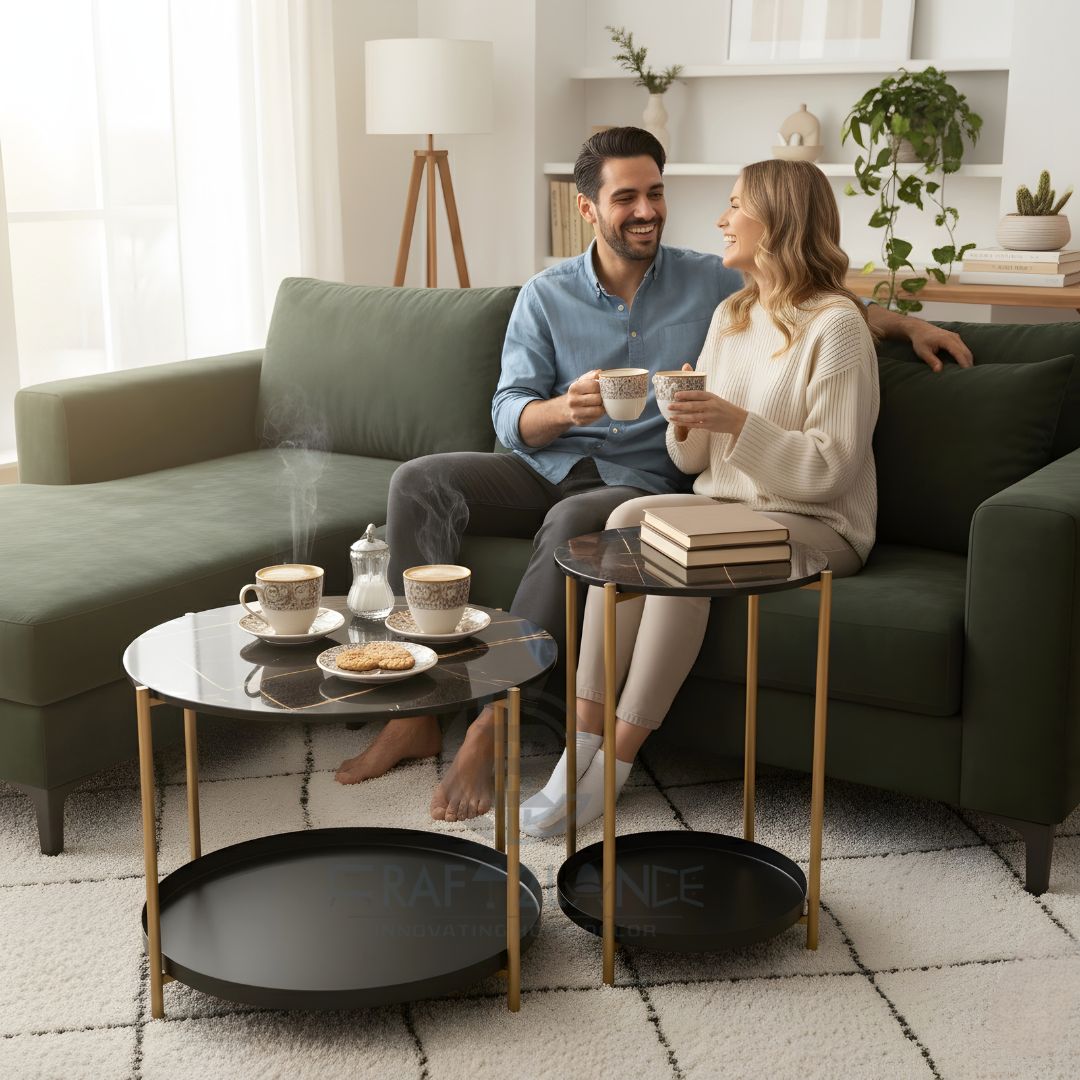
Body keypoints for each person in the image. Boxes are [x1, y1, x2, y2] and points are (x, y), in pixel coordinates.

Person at [334, 127, 973, 823]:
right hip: (550, 462)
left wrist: (904, 324)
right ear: (588, 209)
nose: (649, 210)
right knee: (420, 481)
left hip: (636, 480)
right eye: (627, 197)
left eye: (657, 193)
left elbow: (811, 292)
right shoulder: (555, 296)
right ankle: (419, 705)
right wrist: (559, 409)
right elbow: (508, 410)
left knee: (595, 529)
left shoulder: (713, 280)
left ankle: (499, 721)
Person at [521, 157, 879, 835]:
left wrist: (738, 423)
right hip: (732, 507)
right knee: (625, 521)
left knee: (687, 550)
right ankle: (580, 750)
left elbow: (830, 472)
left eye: (736, 205)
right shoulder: (733, 314)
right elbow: (694, 461)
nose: (721, 219)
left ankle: (619, 765)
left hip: (818, 522)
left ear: (777, 221)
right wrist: (687, 421)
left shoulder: (837, 328)